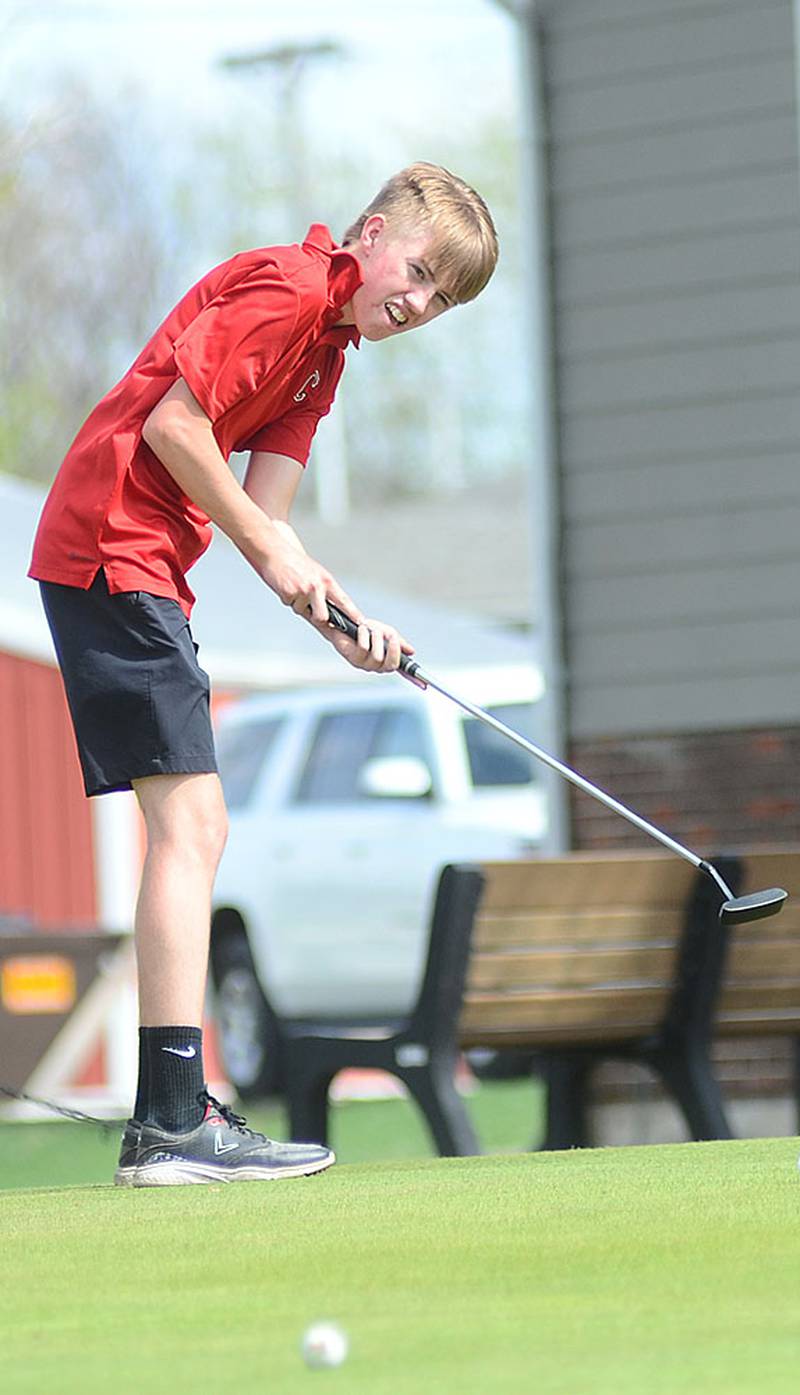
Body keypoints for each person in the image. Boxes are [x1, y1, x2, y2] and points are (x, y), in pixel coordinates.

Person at [27, 162, 499, 1185]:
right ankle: (167, 1121)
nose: (418, 304)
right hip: (111, 543)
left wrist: (339, 617)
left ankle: (169, 1114)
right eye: (417, 272)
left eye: (441, 300)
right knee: (192, 827)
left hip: (147, 562)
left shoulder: (328, 358)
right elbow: (173, 425)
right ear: (371, 236)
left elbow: (267, 516)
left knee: (194, 827)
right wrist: (270, 552)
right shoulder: (287, 287)